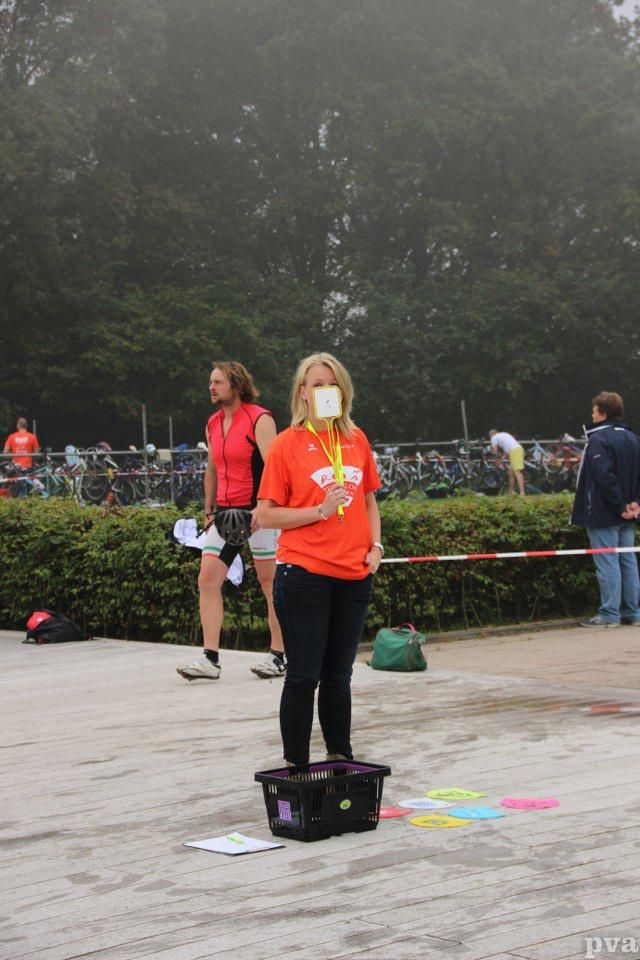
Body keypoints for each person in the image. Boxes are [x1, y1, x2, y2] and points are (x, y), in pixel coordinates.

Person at [256, 352, 383, 766]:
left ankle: (340, 760)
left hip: (353, 574)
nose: (324, 390)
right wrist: (318, 512)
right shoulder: (286, 445)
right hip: (304, 572)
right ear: (302, 393)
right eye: (316, 384)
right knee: (303, 675)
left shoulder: (357, 439)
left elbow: (369, 501)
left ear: (341, 392)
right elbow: (267, 513)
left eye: (332, 383)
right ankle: (296, 767)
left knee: (339, 676)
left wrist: (376, 547)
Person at [176, 362, 285, 681]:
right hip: (226, 513)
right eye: (210, 382)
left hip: (260, 511)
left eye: (218, 382)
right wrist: (209, 512)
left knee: (270, 583)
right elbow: (211, 468)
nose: (211, 387)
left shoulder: (260, 419)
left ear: (236, 386)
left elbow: (275, 469)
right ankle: (210, 659)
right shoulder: (212, 422)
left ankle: (279, 655)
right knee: (207, 579)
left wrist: (264, 510)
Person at [571, 391, 640, 628]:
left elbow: (603, 476)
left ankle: (609, 614)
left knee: (608, 562)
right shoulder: (633, 437)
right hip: (630, 511)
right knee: (628, 560)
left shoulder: (599, 440)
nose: (591, 415)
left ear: (602, 413)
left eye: (593, 411)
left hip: (604, 512)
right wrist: (635, 503)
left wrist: (619, 505)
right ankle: (633, 613)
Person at [3, 418, 40, 497]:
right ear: (26, 426)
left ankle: (19, 502)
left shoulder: (11, 437)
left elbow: (5, 453)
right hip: (28, 466)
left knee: (16, 486)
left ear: (18, 426)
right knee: (26, 485)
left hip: (15, 467)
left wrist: (13, 454)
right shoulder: (32, 437)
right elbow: (37, 453)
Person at [489, 429, 525, 495]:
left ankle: (522, 493)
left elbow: (495, 451)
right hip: (516, 450)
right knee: (511, 473)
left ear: (491, 435)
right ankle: (510, 492)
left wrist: (495, 461)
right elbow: (506, 453)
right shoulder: (504, 434)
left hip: (515, 451)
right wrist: (499, 461)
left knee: (517, 472)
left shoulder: (494, 438)